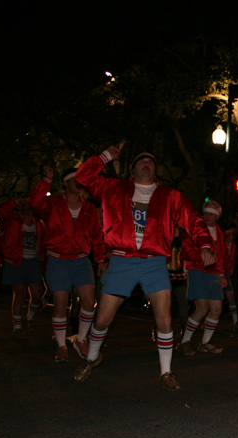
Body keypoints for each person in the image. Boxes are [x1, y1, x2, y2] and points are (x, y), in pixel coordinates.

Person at [72, 147, 214, 390]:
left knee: (165, 318)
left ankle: (166, 372)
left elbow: (193, 220)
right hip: (121, 260)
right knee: (103, 319)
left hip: (154, 263)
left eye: (151, 161)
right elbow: (82, 178)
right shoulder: (114, 188)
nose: (147, 163)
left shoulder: (170, 195)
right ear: (132, 169)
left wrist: (205, 244)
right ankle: (92, 358)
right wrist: (105, 156)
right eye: (141, 161)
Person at [30, 166, 106, 363]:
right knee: (61, 304)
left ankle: (81, 339)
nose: (80, 183)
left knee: (89, 301)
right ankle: (62, 346)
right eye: (75, 180)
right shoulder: (53, 203)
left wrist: (100, 259)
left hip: (81, 260)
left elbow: (97, 236)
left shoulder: (89, 208)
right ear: (65, 183)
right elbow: (35, 202)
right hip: (58, 259)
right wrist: (46, 180)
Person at [177, 200, 228, 355]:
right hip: (197, 270)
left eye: (212, 214)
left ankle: (205, 342)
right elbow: (186, 249)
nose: (208, 217)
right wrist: (202, 256)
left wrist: (221, 274)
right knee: (202, 307)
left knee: (217, 309)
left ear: (217, 216)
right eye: (206, 213)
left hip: (212, 273)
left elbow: (220, 254)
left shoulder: (218, 231)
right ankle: (185, 341)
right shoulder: (195, 228)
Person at [0, 198, 45, 341]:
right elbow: (0, 212)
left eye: (30, 205)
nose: (28, 208)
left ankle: (29, 318)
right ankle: (17, 327)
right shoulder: (12, 220)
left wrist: (43, 252)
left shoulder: (38, 223)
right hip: (16, 261)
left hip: (33, 261)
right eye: (25, 205)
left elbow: (43, 240)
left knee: (37, 294)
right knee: (19, 293)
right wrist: (15, 202)